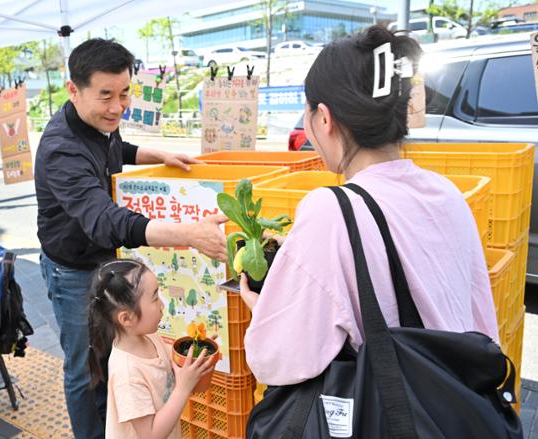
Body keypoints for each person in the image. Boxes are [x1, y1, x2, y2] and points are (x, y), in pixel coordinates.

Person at [239, 25, 499, 386]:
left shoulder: (332, 210)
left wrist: (263, 312)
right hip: (457, 403)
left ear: (325, 119)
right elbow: (482, 322)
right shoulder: (447, 193)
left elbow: (277, 360)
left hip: (393, 413)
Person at [34, 38, 227, 438]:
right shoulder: (61, 150)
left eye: (124, 94)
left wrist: (159, 155)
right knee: (85, 368)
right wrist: (187, 235)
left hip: (103, 262)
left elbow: (116, 147)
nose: (117, 107)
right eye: (106, 96)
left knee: (112, 360)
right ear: (73, 89)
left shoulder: (98, 123)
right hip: (72, 269)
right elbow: (106, 220)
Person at [87, 259, 214, 439]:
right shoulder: (127, 374)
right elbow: (151, 434)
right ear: (126, 318)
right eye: (155, 298)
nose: (162, 305)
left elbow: (179, 368)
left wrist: (198, 352)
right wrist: (183, 388)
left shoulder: (150, 337)